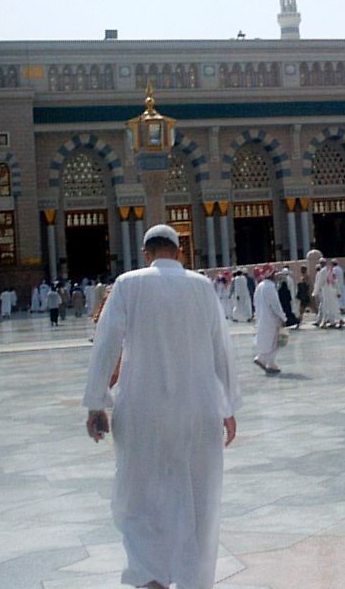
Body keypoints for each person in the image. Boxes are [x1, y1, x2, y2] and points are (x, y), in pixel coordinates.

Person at [84, 224, 241, 589]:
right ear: (179, 252)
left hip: (142, 410)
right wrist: (228, 406)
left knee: (140, 496)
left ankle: (150, 576)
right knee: (198, 496)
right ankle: (191, 579)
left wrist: (96, 403)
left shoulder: (127, 283)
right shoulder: (202, 287)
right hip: (198, 410)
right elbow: (222, 350)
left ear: (146, 254)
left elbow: (107, 343)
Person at [253, 265, 287, 374]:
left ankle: (271, 363)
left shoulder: (260, 286)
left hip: (262, 317)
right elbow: (275, 305)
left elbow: (255, 302)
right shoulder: (269, 287)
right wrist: (282, 317)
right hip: (271, 319)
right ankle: (262, 358)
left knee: (270, 341)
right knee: (278, 341)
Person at [313, 258, 343, 328]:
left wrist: (315, 293)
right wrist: (338, 291)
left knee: (326, 306)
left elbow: (320, 283)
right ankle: (334, 321)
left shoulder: (322, 271)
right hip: (332, 290)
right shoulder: (331, 270)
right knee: (332, 306)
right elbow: (336, 281)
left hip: (326, 291)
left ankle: (327, 321)